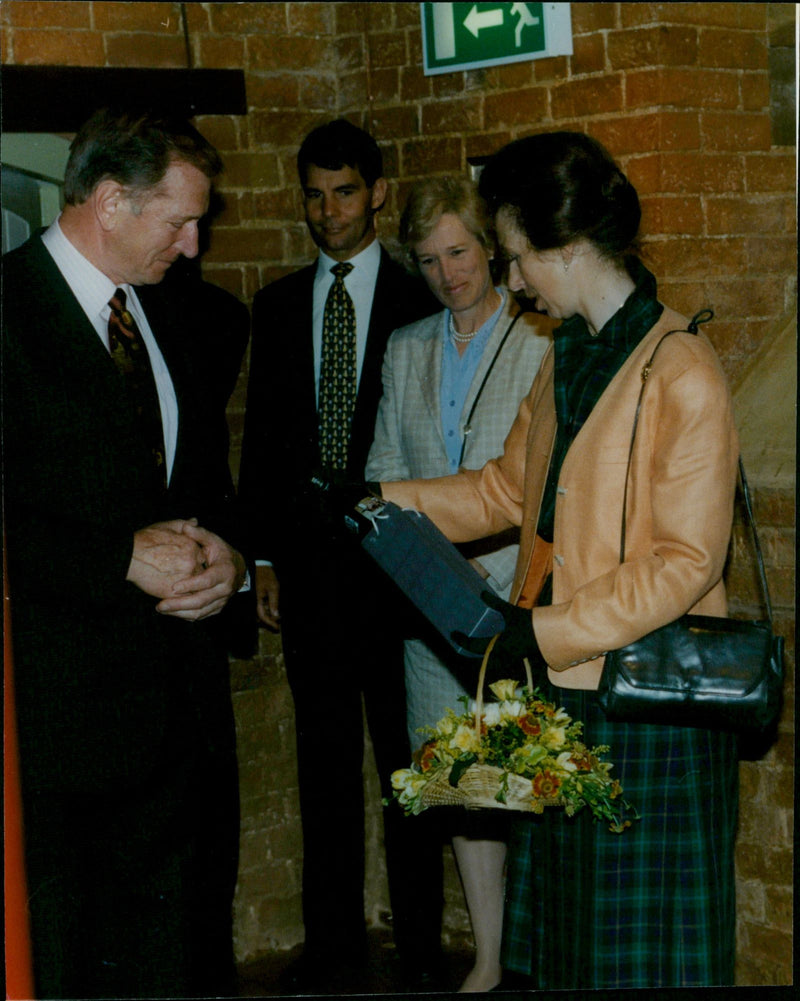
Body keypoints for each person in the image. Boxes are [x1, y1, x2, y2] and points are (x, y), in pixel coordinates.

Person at [370, 131, 740, 989]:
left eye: (514, 256)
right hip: (567, 695)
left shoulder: (682, 366)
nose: (510, 280)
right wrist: (380, 497)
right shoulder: (565, 356)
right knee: (573, 957)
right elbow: (504, 492)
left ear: (567, 246)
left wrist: (545, 630)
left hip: (647, 706)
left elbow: (687, 561)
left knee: (643, 965)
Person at [2, 106, 251, 999]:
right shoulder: (7, 313)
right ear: (109, 201)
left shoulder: (176, 316)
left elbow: (207, 491)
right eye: (179, 221)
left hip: (179, 726)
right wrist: (115, 555)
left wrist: (233, 559)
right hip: (59, 737)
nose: (193, 246)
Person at [238, 119, 442, 992]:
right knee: (323, 768)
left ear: (379, 192)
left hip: (397, 577)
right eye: (314, 196)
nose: (328, 213)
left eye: (345, 193)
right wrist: (262, 561)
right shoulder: (280, 304)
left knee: (410, 768)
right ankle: (331, 952)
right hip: (311, 579)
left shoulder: (419, 300)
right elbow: (263, 448)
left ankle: (426, 949)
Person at [365, 175, 552, 993]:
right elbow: (383, 473)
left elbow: (543, 486)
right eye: (431, 258)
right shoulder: (406, 346)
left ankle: (536, 952)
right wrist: (430, 568)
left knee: (529, 779)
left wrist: (488, 565)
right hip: (427, 608)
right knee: (462, 786)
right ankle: (485, 956)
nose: (449, 274)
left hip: (517, 601)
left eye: (461, 252)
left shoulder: (541, 340)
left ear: (490, 249)